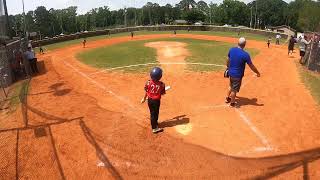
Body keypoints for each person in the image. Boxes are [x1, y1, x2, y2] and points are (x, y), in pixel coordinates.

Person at [225, 37, 260, 107]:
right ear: (244, 45)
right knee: (234, 89)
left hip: (230, 72)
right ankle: (232, 103)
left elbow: (228, 60)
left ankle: (227, 98)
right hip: (237, 75)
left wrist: (227, 68)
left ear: (238, 43)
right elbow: (251, 66)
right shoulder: (245, 54)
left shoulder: (232, 49)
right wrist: (257, 72)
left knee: (230, 86)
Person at [141, 67, 166, 134]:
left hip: (149, 100)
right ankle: (154, 128)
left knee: (152, 113)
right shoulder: (162, 84)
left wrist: (144, 98)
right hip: (156, 101)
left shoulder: (148, 82)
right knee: (155, 113)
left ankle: (155, 123)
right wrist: (159, 91)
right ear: (160, 76)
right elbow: (163, 93)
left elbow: (146, 91)